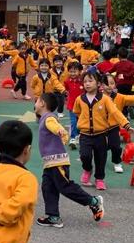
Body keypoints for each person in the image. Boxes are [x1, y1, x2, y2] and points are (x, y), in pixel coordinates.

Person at [34, 93, 104, 228]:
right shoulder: (44, 118)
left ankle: (93, 201)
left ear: (42, 103)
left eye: (37, 101)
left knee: (65, 187)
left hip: (57, 162)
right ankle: (53, 216)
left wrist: (60, 131)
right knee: (48, 187)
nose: (35, 104)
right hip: (50, 162)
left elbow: (54, 126)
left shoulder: (49, 118)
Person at [73, 71, 134, 190]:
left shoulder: (105, 99)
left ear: (99, 84)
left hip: (101, 135)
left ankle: (99, 179)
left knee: (101, 158)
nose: (87, 84)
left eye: (90, 81)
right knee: (85, 156)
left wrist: (126, 125)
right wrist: (82, 124)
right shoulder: (79, 99)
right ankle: (87, 169)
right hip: (85, 135)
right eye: (85, 81)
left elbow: (115, 112)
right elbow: (77, 112)